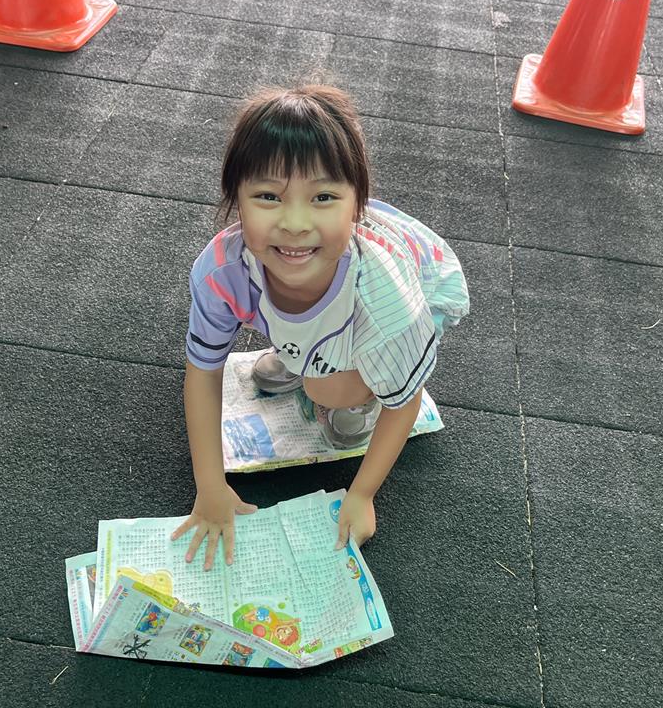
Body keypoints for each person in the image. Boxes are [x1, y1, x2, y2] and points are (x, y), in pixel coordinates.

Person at [170, 84, 469, 570]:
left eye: (323, 197)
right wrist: (210, 486)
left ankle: (354, 393)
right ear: (236, 200)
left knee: (326, 387)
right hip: (336, 299)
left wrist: (362, 493)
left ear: (357, 206)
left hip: (425, 283)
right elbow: (203, 371)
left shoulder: (387, 303)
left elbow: (406, 401)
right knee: (310, 352)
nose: (294, 223)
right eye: (268, 196)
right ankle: (308, 353)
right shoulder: (221, 270)